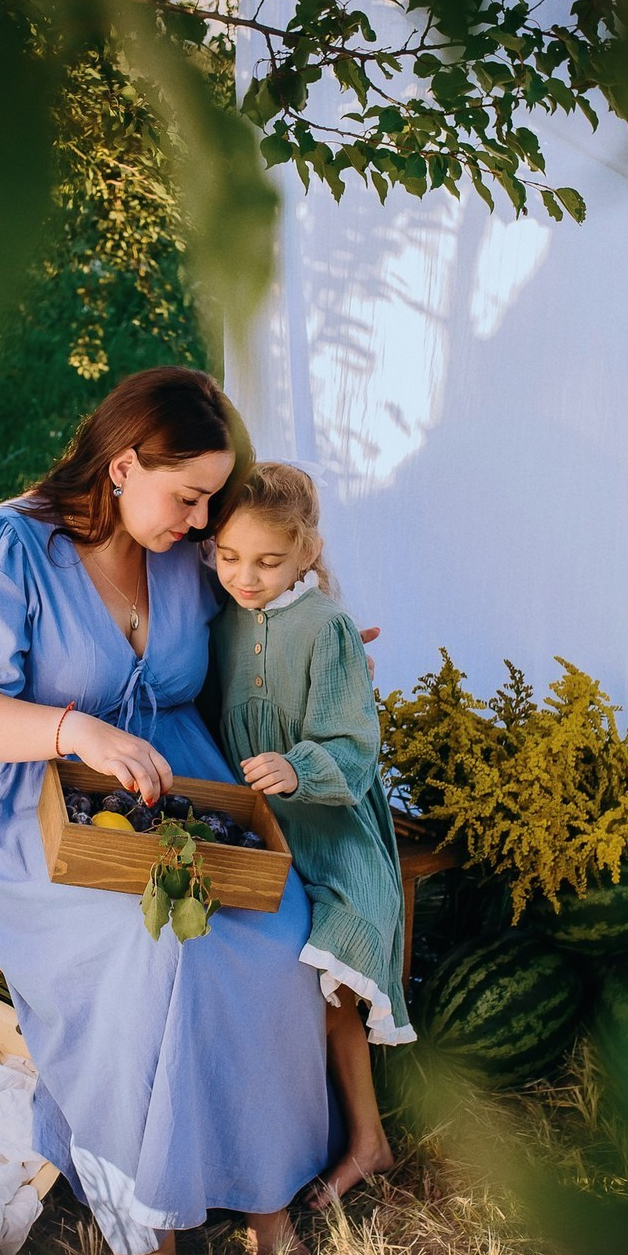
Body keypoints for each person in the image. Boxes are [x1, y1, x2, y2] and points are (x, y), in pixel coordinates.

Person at [0, 368, 331, 1255]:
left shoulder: (184, 551)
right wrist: (71, 726)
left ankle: (263, 1197)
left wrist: (312, 651)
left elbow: (261, 614)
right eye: (190, 495)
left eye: (214, 499)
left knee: (274, 930)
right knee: (148, 954)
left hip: (181, 788)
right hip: (36, 811)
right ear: (126, 464)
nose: (203, 520)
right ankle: (146, 1247)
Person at [209, 462, 413, 1209]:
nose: (245, 577)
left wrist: (299, 770)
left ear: (307, 550)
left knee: (328, 974)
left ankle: (365, 1139)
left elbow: (356, 745)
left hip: (332, 835)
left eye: (267, 561)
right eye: (227, 557)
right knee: (266, 972)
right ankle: (311, 1138)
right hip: (259, 834)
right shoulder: (221, 617)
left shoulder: (325, 625)